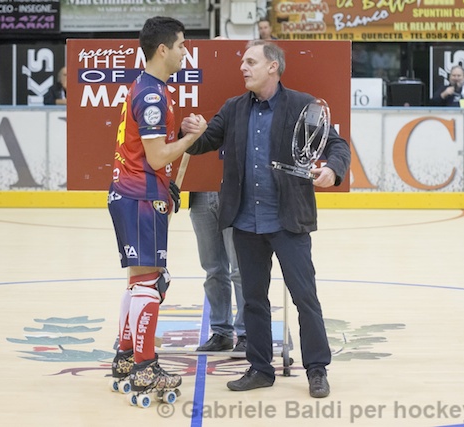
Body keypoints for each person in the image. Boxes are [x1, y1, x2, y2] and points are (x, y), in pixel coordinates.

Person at [182, 40, 350, 398]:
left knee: (305, 298)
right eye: (243, 62)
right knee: (253, 301)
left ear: (273, 67)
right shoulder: (233, 108)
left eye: (250, 62)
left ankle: (317, 369)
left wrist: (333, 171)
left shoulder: (303, 106)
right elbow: (203, 143)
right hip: (246, 223)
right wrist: (191, 131)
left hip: (289, 222)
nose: (243, 67)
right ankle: (260, 368)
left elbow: (338, 146)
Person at [107, 16, 207, 394]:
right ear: (163, 49)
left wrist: (178, 138)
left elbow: (151, 149)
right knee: (152, 282)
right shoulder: (152, 95)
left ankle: (126, 356)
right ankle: (145, 368)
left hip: (132, 193)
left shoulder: (148, 87)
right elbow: (156, 156)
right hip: (141, 197)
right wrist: (191, 139)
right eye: (181, 46)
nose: (185, 53)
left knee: (139, 281)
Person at [190, 190, 246, 353]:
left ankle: (246, 333)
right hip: (200, 194)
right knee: (213, 269)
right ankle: (221, 332)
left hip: (232, 193)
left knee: (240, 270)